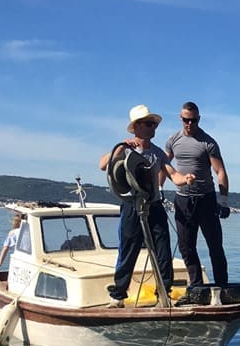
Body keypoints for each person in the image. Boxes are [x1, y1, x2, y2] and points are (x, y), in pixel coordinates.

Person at [98, 104, 195, 308]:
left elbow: (173, 175)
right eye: (149, 124)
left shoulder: (158, 152)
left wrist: (185, 179)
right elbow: (103, 165)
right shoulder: (125, 149)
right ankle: (118, 295)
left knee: (163, 250)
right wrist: (120, 147)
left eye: (154, 124)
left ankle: (164, 293)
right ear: (136, 126)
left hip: (154, 205)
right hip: (132, 205)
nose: (153, 127)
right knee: (128, 249)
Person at [165, 101, 230, 287]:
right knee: (186, 247)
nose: (190, 124)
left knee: (215, 245)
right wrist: (159, 188)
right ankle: (197, 286)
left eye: (193, 120)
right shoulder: (173, 140)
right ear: (181, 118)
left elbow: (220, 171)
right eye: (186, 120)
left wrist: (223, 201)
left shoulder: (208, 142)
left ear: (199, 119)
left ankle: (222, 286)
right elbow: (163, 164)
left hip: (206, 199)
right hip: (183, 200)